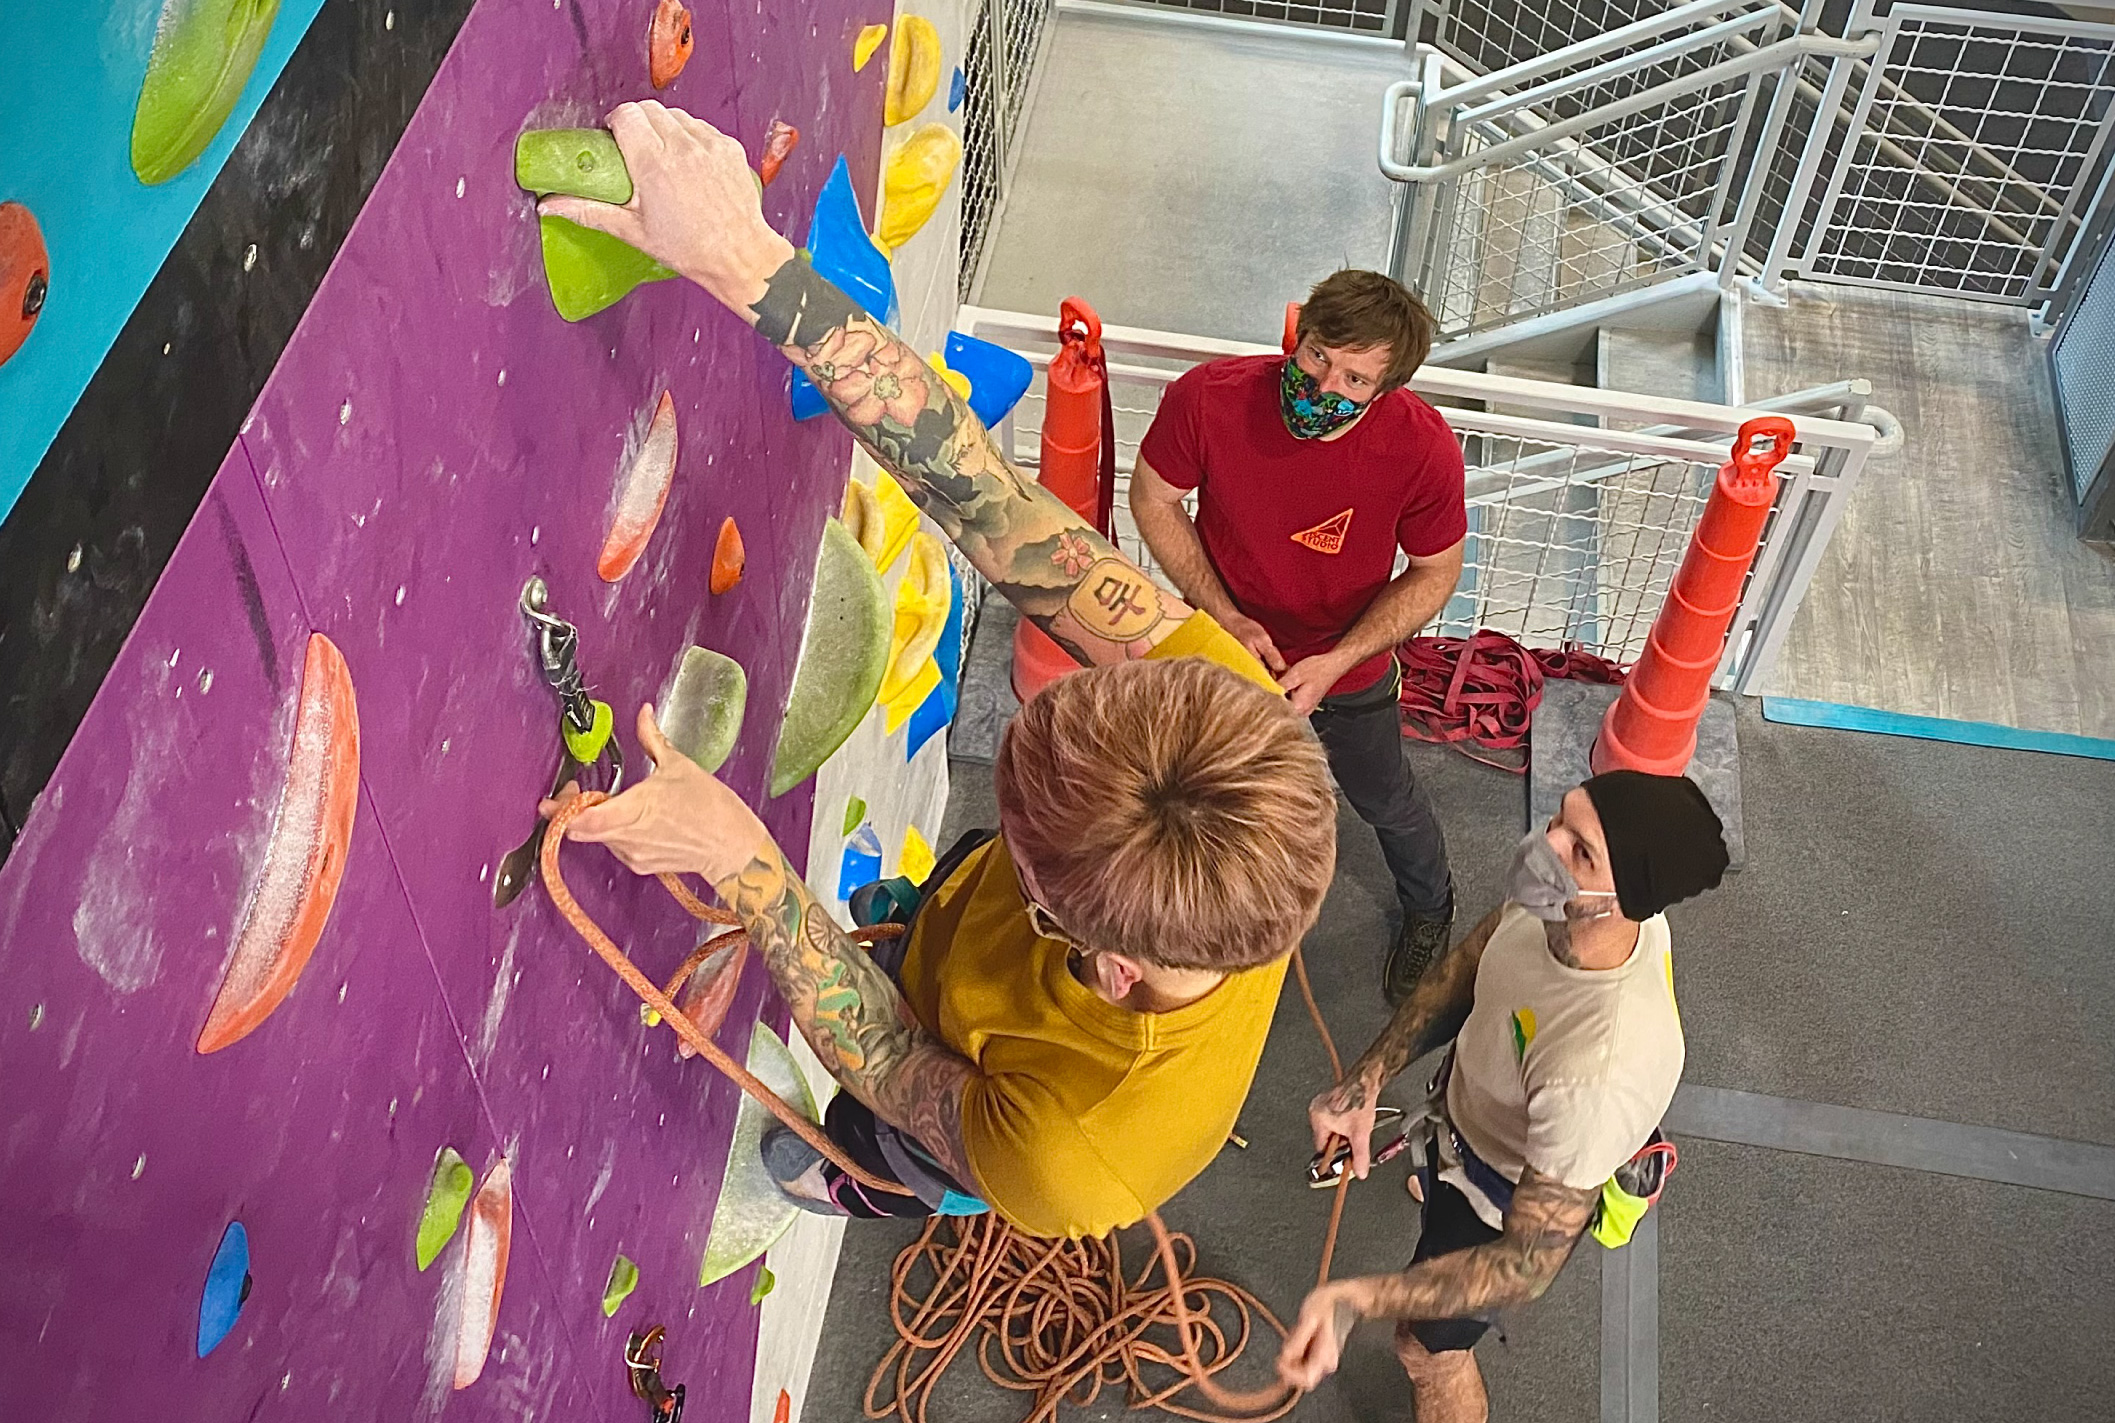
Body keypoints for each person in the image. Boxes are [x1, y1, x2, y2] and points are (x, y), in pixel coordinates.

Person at [535, 102, 1339, 1240]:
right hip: (1001, 940)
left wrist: (743, 862)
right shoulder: (1230, 725)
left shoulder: (1072, 1154)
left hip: (972, 1095)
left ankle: (846, 1183)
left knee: (880, 1147)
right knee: (926, 926)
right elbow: (993, 508)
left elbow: (901, 1065)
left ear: (1103, 966)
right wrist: (752, 264)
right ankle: (928, 939)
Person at [1276, 771, 1729, 1420]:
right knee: (1435, 1195)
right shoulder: (1566, 904)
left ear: (1626, 897)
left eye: (1579, 851)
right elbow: (1477, 960)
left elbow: (1523, 1264)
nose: (1546, 843)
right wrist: (1366, 1078)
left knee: (1423, 1350)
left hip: (1506, 1195)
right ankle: (1439, 1189)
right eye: (1560, 819)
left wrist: (1355, 1300)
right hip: (1470, 1118)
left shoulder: (1595, 1069)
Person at [1131, 272, 1468, 1003]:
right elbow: (1154, 496)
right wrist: (1221, 614)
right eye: (1316, 356)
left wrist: (1341, 657)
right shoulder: (1207, 399)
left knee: (1384, 798)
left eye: (1353, 377)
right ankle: (1200, 926)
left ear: (1387, 389)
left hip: (1346, 673)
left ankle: (1430, 908)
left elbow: (1436, 569)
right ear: (1297, 335)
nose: (1322, 386)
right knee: (1204, 792)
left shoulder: (1421, 448)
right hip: (1225, 651)